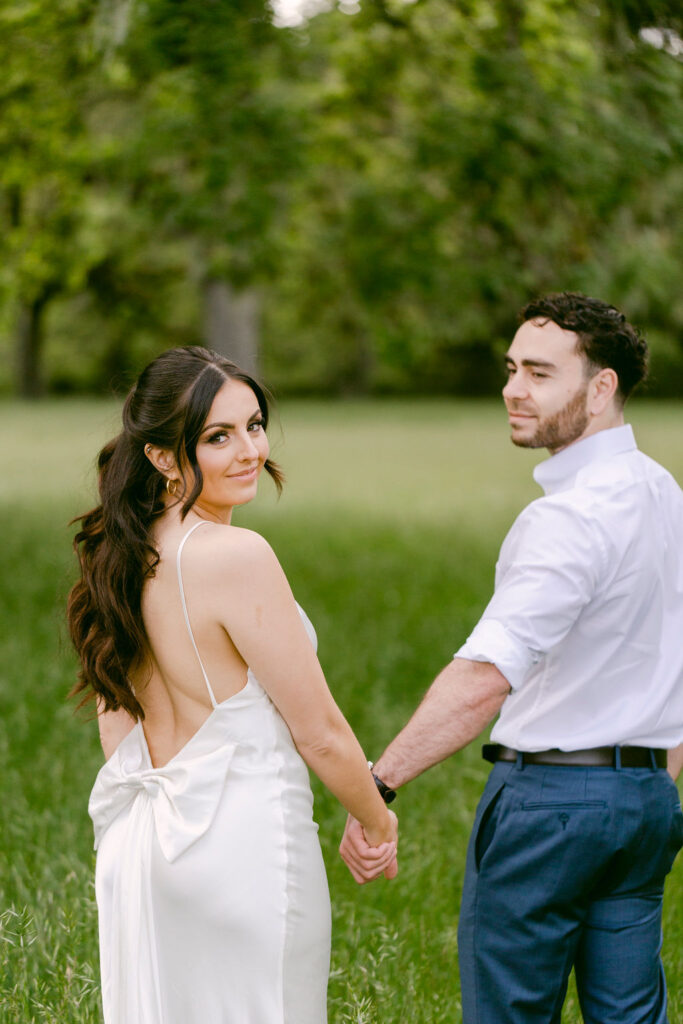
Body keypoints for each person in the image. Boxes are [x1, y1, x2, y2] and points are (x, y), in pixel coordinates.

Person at [340, 292, 683, 1023]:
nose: (511, 390)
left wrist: (379, 785)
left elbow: (484, 678)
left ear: (600, 388)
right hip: (644, 804)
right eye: (509, 369)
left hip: (549, 809)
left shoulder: (566, 517)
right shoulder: (662, 492)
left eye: (537, 373)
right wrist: (652, 772)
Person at [67, 346, 398, 1024]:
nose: (249, 449)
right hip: (244, 849)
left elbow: (115, 724)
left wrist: (166, 832)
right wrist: (375, 818)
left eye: (254, 425)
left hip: (147, 847)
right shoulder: (236, 555)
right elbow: (322, 734)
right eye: (219, 436)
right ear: (162, 455)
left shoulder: (121, 553)